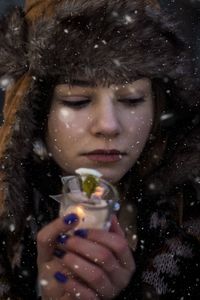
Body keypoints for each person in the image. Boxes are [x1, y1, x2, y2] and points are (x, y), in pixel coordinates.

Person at [0, 0, 199, 299]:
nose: (108, 125)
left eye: (132, 99)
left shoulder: (191, 224)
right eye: (77, 100)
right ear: (37, 114)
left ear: (158, 108)